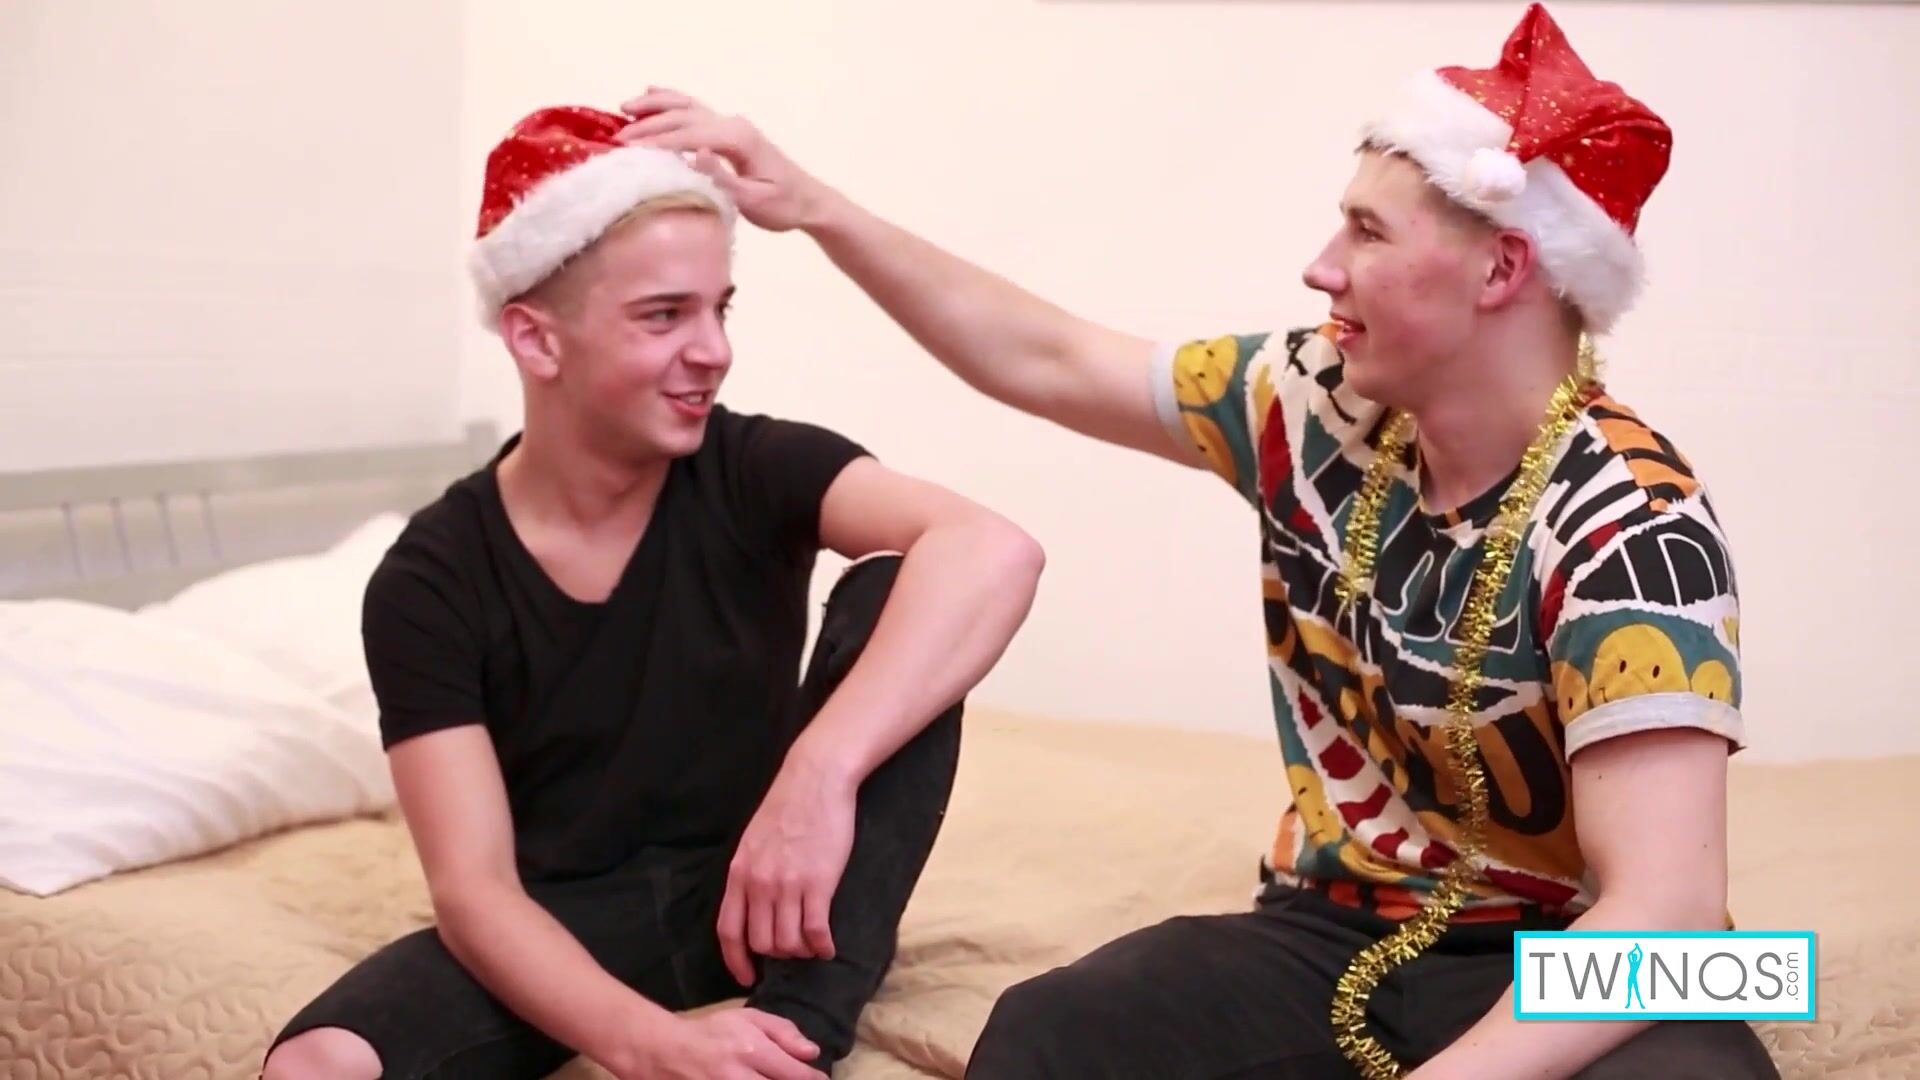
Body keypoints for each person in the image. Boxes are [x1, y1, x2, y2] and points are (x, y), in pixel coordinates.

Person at [611, 4, 1779, 1078]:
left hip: (1592, 955)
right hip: (1341, 928)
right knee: (1049, 1034)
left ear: (1503, 267)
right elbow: (1048, 357)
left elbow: (1669, 911)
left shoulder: (1634, 522)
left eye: (1367, 232)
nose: (1322, 267)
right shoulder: (1314, 399)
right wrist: (813, 204)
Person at [259, 105, 1045, 1080]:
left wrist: (819, 773)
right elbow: (474, 893)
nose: (713, 349)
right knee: (318, 1063)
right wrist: (656, 1045)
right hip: (570, 924)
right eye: (665, 315)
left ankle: (793, 1034)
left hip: (775, 901)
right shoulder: (431, 578)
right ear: (536, 341)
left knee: (905, 590)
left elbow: (993, 550)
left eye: (721, 309)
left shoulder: (754, 466)